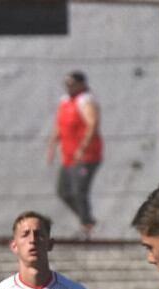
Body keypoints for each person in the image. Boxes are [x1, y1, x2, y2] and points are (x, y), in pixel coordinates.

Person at [46, 70, 102, 241]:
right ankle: (88, 220)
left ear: (81, 84)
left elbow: (92, 124)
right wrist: (52, 146)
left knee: (80, 191)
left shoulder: (86, 101)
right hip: (68, 156)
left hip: (86, 156)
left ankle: (86, 227)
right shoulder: (65, 102)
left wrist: (83, 148)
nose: (69, 88)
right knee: (64, 191)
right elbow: (59, 125)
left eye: (72, 84)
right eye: (67, 85)